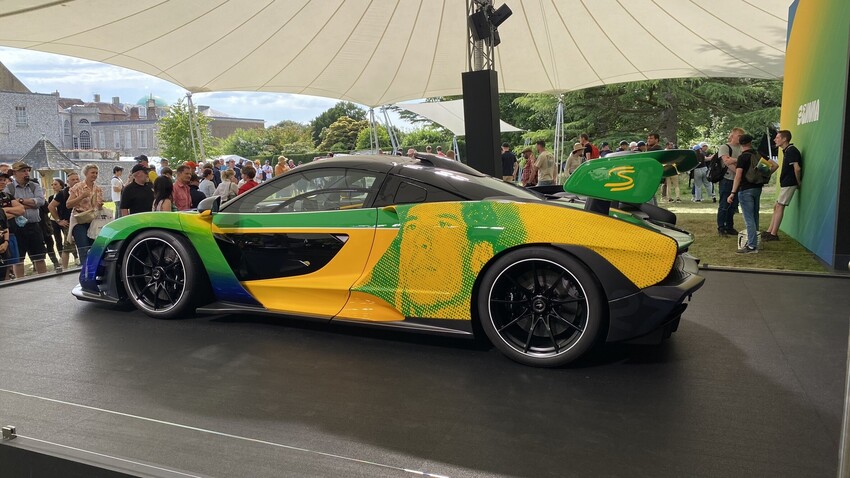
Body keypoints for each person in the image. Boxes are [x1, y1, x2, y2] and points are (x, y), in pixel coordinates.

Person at [764, 130, 802, 241]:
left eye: (777, 137)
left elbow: (797, 168)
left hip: (789, 182)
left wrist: (798, 182)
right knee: (776, 206)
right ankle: (769, 231)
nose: (775, 139)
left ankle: (774, 234)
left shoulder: (791, 151)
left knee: (780, 206)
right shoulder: (787, 150)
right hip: (786, 182)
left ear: (784, 139)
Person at [65, 164, 103, 265]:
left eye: (96, 173)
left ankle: (93, 271)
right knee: (83, 249)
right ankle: (84, 272)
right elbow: (68, 204)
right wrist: (81, 196)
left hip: (93, 221)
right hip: (80, 221)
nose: (94, 175)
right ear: (86, 173)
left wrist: (99, 206)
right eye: (92, 172)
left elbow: (96, 206)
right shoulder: (78, 187)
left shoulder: (98, 189)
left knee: (94, 249)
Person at [48, 173, 80, 270]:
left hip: (82, 221)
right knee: (67, 248)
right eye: (73, 180)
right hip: (68, 224)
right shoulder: (63, 193)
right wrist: (59, 220)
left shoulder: (82, 190)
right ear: (67, 182)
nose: (75, 181)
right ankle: (65, 269)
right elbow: (51, 206)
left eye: (77, 179)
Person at [717, 127, 744, 236]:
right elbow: (727, 162)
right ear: (732, 136)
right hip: (727, 180)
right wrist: (739, 166)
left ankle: (729, 226)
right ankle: (721, 227)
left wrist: (736, 162)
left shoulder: (742, 148)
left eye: (742, 136)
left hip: (737, 180)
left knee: (733, 205)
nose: (740, 138)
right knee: (724, 204)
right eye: (739, 136)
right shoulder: (725, 147)